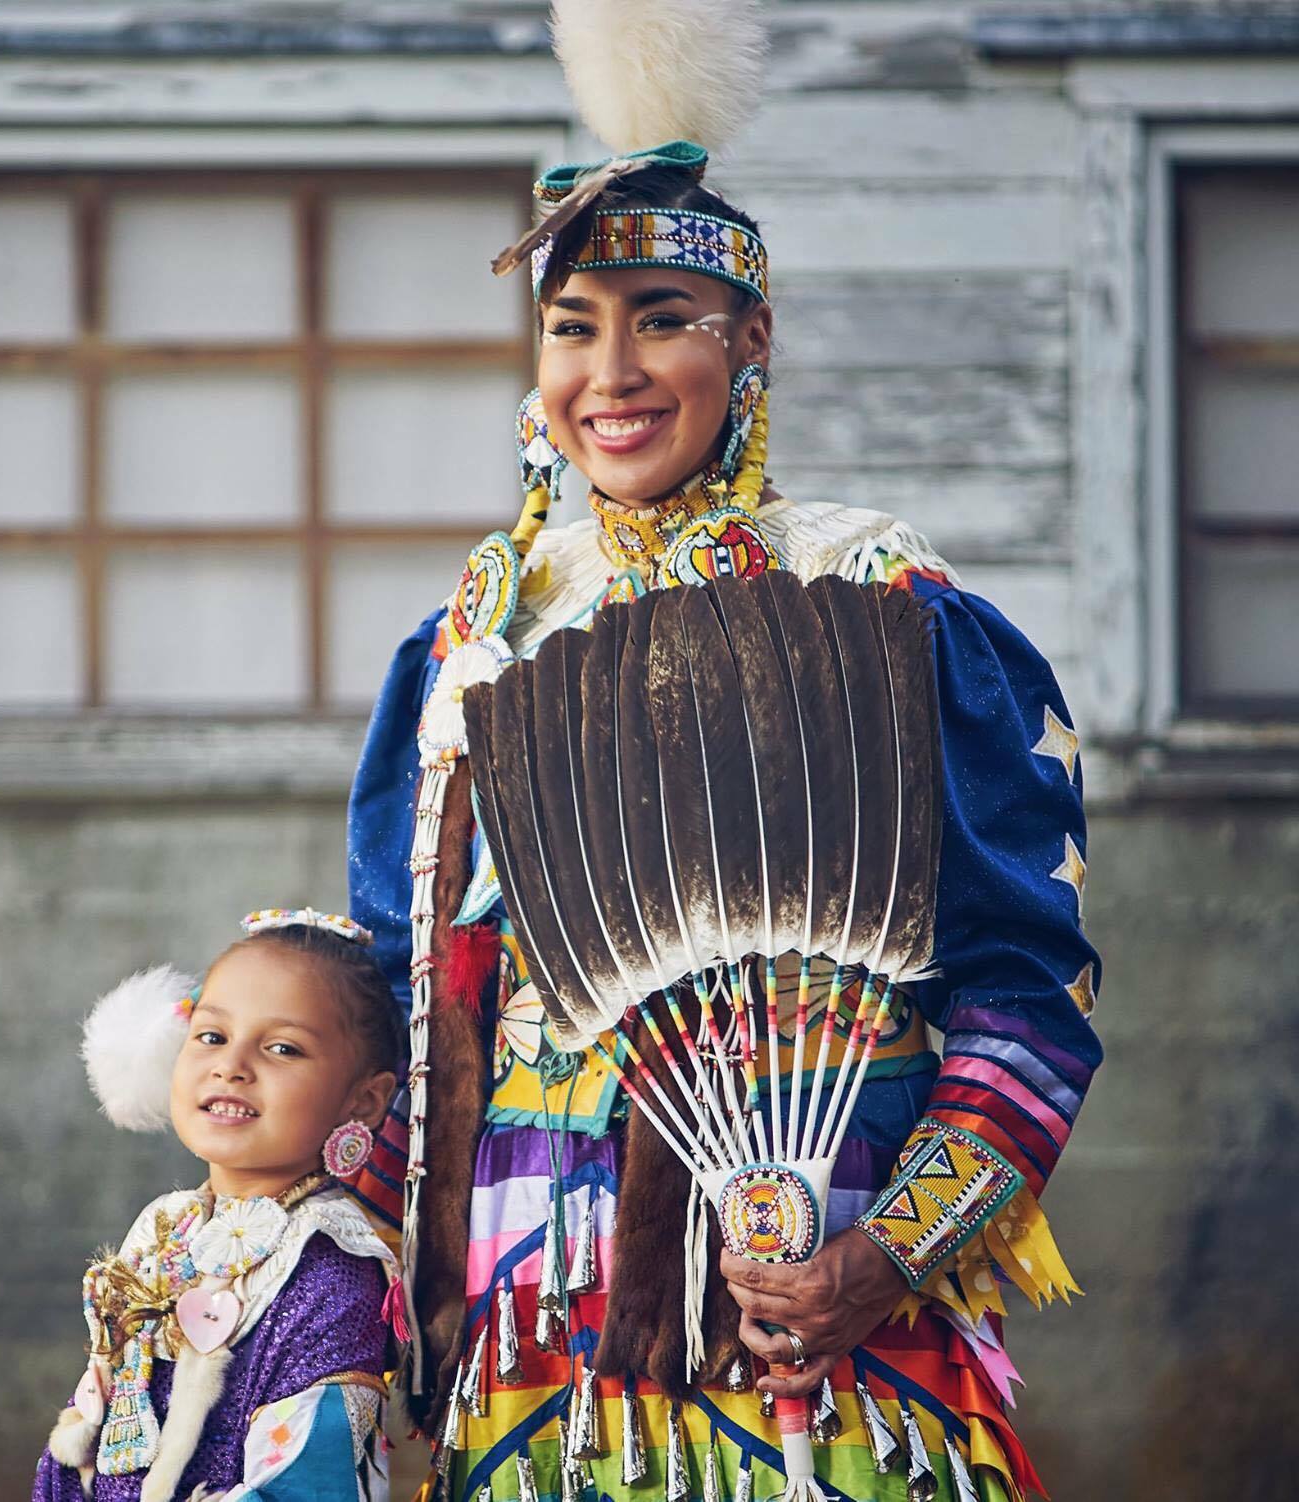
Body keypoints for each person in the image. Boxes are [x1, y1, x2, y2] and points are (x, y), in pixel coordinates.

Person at [343, 3, 1102, 1497]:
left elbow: (1030, 986)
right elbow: (402, 1010)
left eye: (662, 320)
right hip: (527, 1359)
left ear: (750, 337)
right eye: (573, 326)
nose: (609, 374)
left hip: (820, 1331)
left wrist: (887, 1257)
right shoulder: (467, 644)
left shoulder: (881, 608)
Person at [33, 910, 405, 1502]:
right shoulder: (163, 1232)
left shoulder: (332, 1274)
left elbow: (306, 1484)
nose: (231, 1065)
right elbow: (86, 1435)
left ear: (363, 1099)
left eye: (282, 1048)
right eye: (212, 1036)